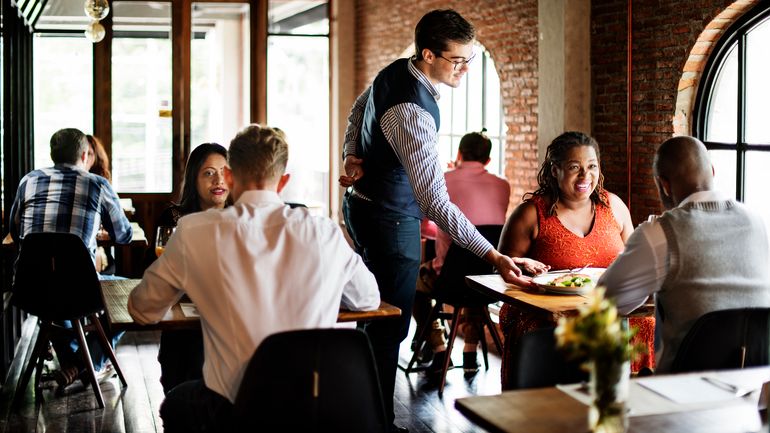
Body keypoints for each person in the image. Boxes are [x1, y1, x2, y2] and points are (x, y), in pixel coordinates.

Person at [339, 9, 546, 430]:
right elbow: (434, 201)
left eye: (471, 58)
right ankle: (376, 424)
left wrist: (350, 153)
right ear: (428, 54)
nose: (467, 69)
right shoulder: (413, 113)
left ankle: (362, 415)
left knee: (374, 319)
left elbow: (358, 109)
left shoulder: (397, 70)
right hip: (391, 222)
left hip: (359, 205)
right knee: (387, 329)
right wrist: (493, 255)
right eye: (459, 60)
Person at [128, 124, 380, 433]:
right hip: (322, 405)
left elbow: (143, 310)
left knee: (175, 403)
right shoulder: (325, 232)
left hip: (238, 414)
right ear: (283, 181)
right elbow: (368, 299)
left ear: (231, 177)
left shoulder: (194, 231)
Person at [496, 131, 653, 389]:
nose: (585, 176)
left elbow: (635, 262)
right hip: (544, 312)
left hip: (608, 307)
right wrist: (519, 265)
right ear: (555, 170)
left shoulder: (613, 207)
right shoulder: (530, 214)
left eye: (591, 167)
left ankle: (637, 410)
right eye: (574, 167)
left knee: (647, 323)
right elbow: (502, 269)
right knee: (543, 329)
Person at [600, 135, 770, 373]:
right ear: (712, 170)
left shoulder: (661, 233)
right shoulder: (757, 221)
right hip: (754, 386)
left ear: (664, 185)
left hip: (683, 390)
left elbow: (607, 298)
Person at [9, 127, 133, 390]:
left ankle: (72, 365)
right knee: (133, 295)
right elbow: (123, 236)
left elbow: (15, 230)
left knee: (57, 301)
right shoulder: (98, 184)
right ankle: (88, 364)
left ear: (52, 153)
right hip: (80, 289)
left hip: (30, 288)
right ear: (85, 153)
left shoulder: (28, 180)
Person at [413, 130, 510, 376]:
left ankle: (439, 348)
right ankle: (469, 351)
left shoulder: (442, 181)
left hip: (449, 281)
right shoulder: (503, 186)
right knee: (475, 276)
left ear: (459, 153)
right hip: (488, 282)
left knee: (412, 284)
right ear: (488, 161)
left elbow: (426, 226)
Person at [148, 143, 230, 394]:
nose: (218, 180)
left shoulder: (242, 218)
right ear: (194, 178)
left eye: (224, 172)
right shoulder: (174, 218)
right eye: (208, 173)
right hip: (184, 328)